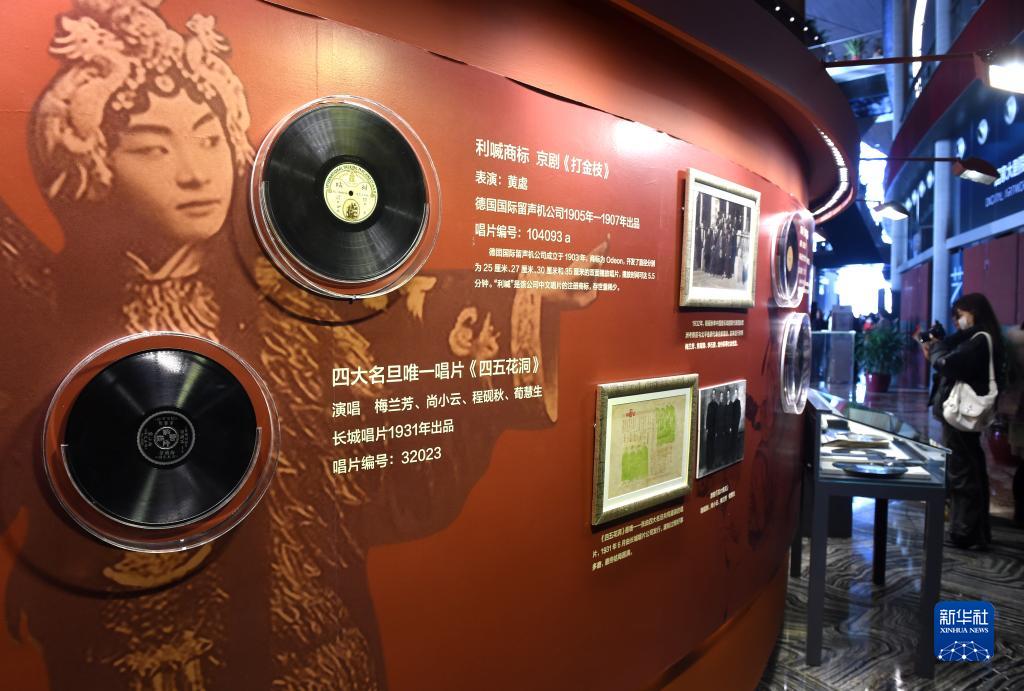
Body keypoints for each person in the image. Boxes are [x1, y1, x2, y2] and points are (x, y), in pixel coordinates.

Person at [1, 2, 601, 689]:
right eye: (153, 148)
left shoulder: (286, 296)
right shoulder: (52, 305)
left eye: (207, 137)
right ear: (95, 162)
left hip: (317, 635)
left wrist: (525, 290)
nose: (195, 172)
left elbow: (397, 305)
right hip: (157, 652)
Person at [921, 293, 1005, 549]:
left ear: (974, 312)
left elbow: (948, 364)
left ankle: (965, 532)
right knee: (969, 468)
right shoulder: (978, 338)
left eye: (960, 315)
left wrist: (936, 350)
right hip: (962, 414)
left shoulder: (979, 340)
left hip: (961, 415)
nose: (957, 322)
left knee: (962, 472)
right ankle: (973, 531)